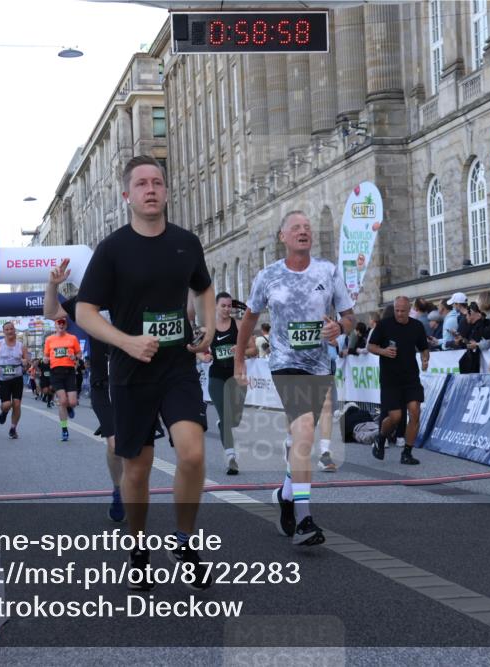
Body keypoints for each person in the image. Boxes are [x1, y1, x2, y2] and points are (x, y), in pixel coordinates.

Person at [76, 155, 215, 590]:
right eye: (141, 184)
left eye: (157, 182)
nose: (150, 189)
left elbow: (204, 287)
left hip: (177, 364)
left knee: (192, 454)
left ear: (167, 192)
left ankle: (186, 541)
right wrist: (125, 340)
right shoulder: (112, 249)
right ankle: (138, 547)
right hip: (132, 368)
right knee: (138, 467)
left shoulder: (186, 243)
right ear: (127, 196)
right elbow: (84, 311)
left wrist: (208, 327)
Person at [235, 210, 355, 547]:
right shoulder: (268, 276)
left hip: (318, 364)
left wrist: (338, 328)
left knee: (304, 438)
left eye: (307, 227)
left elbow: (348, 317)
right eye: (296, 228)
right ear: (283, 237)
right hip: (285, 363)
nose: (303, 231)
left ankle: (286, 494)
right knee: (303, 432)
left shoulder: (328, 272)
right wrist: (239, 358)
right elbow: (249, 318)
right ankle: (304, 519)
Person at [46, 259, 125, 523]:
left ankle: (131, 491)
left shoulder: (134, 294)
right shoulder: (88, 300)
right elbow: (51, 312)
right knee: (115, 444)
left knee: (137, 450)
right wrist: (52, 285)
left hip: (136, 380)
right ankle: (118, 491)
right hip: (105, 384)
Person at [368, 296, 430, 465]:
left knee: (415, 411)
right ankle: (381, 438)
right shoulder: (384, 325)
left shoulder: (417, 326)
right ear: (394, 308)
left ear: (409, 310)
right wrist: (383, 351)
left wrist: (425, 360)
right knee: (395, 417)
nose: (400, 314)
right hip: (390, 379)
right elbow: (370, 346)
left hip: (411, 377)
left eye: (403, 311)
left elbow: (424, 348)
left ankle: (407, 453)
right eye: (397, 310)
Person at [198, 291, 255, 476]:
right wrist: (203, 356)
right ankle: (231, 457)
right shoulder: (208, 329)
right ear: (216, 306)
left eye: (229, 306)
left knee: (235, 419)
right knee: (226, 415)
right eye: (223, 305)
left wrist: (240, 349)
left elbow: (253, 349)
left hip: (237, 376)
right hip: (216, 377)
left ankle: (224, 425)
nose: (226, 309)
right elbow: (195, 348)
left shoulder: (239, 325)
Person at [43, 317, 81, 442]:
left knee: (73, 402)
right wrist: (45, 359)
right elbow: (45, 356)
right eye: (58, 324)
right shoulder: (49, 339)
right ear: (55, 326)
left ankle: (70, 407)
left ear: (65, 326)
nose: (61, 325)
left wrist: (74, 356)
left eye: (63, 324)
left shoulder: (72, 338)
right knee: (62, 400)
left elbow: (79, 354)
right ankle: (64, 430)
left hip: (69, 372)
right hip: (55, 372)